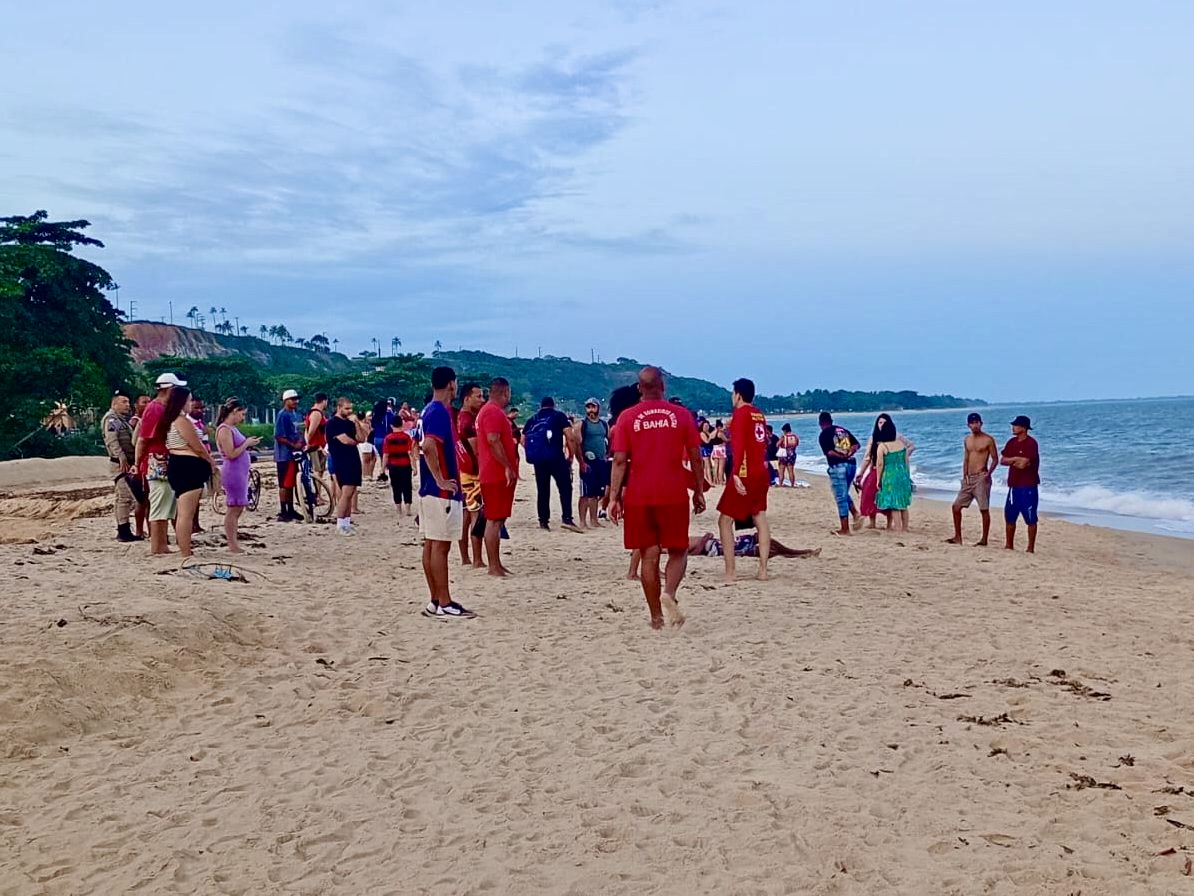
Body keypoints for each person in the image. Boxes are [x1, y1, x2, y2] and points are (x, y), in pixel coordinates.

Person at [608, 366, 705, 630]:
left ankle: (656, 618)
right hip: (672, 492)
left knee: (648, 555)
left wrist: (614, 497)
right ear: (662, 386)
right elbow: (696, 455)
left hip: (639, 495)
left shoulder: (627, 418)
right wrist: (698, 488)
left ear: (639, 388)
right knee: (678, 549)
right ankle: (669, 593)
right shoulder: (681, 415)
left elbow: (619, 461)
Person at [417, 367, 474, 618]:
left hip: (429, 490)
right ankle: (445, 602)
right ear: (451, 384)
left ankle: (435, 599)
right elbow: (429, 446)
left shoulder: (428, 410)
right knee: (440, 546)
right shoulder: (439, 411)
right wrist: (441, 479)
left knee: (432, 545)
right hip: (440, 493)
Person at [716, 378, 771, 583]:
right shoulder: (759, 414)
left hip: (745, 471)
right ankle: (763, 570)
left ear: (738, 394)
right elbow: (757, 442)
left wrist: (737, 474)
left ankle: (730, 572)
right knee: (760, 517)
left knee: (725, 520)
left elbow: (739, 448)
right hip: (761, 471)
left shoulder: (740, 414)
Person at [161, 386, 215, 559]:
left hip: (178, 464)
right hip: (188, 465)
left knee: (183, 512)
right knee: (186, 514)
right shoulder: (181, 421)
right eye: (189, 400)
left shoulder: (169, 420)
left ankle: (185, 548)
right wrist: (211, 462)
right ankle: (185, 550)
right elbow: (197, 446)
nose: (191, 404)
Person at [136, 372, 185, 555]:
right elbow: (143, 440)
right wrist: (138, 463)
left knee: (166, 505)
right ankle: (158, 546)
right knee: (159, 505)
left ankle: (162, 544)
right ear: (169, 389)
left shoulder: (162, 408)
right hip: (158, 460)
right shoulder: (155, 408)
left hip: (164, 460)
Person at [476, 377, 519, 577]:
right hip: (495, 474)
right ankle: (493, 566)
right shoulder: (492, 412)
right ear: (505, 392)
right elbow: (493, 440)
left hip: (494, 472)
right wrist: (507, 467)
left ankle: (497, 563)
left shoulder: (489, 411)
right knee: (493, 519)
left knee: (498, 518)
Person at [524, 397, 581, 532]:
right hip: (556, 458)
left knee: (543, 490)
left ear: (541, 405)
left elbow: (523, 439)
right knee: (565, 487)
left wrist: (535, 453)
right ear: (553, 405)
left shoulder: (533, 419)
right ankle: (567, 518)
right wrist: (571, 455)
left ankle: (543, 521)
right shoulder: (558, 416)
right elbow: (570, 437)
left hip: (539, 460)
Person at [215, 398, 260, 553]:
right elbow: (230, 453)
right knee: (234, 508)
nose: (243, 417)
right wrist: (246, 444)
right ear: (235, 411)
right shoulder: (224, 429)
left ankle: (233, 543)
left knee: (238, 507)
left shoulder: (231, 428)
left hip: (239, 472)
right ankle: (232, 545)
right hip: (233, 472)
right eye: (242, 413)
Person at [948, 413, 1000, 546]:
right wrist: (964, 475)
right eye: (972, 423)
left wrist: (988, 474)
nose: (975, 425)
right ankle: (958, 537)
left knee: (983, 508)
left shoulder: (988, 439)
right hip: (968, 478)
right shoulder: (967, 440)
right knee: (956, 507)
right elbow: (966, 458)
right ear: (968, 425)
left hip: (982, 476)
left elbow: (995, 459)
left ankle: (984, 539)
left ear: (981, 423)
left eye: (977, 422)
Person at [101, 390, 140, 542]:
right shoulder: (111, 420)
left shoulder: (122, 420)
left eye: (128, 402)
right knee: (123, 497)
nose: (127, 405)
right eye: (123, 402)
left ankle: (125, 530)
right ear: (114, 403)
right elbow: (112, 440)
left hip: (127, 462)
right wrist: (121, 457)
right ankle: (123, 531)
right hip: (119, 464)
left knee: (127, 497)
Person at [454, 382, 485, 564]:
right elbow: (477, 451)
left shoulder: (460, 417)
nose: (482, 400)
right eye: (478, 396)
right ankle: (477, 559)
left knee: (466, 516)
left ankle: (466, 558)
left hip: (462, 470)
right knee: (476, 514)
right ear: (467, 398)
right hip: (472, 473)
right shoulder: (468, 421)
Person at [1001, 415, 1041, 553]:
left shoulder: (1031, 443)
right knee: (1009, 515)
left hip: (1028, 485)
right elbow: (1003, 460)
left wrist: (1016, 461)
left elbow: (1024, 464)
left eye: (1016, 425)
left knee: (1030, 517)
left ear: (1023, 428)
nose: (1013, 427)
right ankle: (1009, 545)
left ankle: (1030, 548)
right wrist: (1016, 459)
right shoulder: (1011, 442)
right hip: (1013, 485)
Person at [818, 411, 861, 535]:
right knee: (843, 492)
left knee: (840, 497)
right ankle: (856, 514)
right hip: (852, 465)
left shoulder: (823, 434)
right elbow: (856, 445)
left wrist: (841, 457)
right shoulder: (842, 430)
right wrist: (849, 454)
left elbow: (829, 452)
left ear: (820, 424)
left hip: (838, 466)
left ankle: (845, 528)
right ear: (831, 421)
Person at [326, 398, 362, 535]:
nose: (350, 411)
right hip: (341, 460)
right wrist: (355, 442)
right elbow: (346, 441)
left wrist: (357, 423)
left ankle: (346, 523)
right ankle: (340, 523)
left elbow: (361, 438)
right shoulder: (332, 423)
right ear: (339, 407)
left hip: (353, 459)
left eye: (350, 408)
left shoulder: (349, 423)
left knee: (351, 491)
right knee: (345, 493)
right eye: (346, 408)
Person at [873, 415, 913, 532]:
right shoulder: (901, 444)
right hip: (903, 475)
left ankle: (898, 528)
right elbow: (906, 462)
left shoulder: (882, 446)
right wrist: (908, 476)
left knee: (894, 505)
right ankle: (905, 528)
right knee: (903, 504)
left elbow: (880, 464)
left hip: (890, 476)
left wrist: (878, 480)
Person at [576, 397, 610, 528]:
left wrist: (607, 455)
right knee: (585, 493)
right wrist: (581, 462)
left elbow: (609, 439)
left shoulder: (603, 424)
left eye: (593, 407)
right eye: (588, 407)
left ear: (598, 408)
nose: (590, 409)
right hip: (588, 463)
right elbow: (577, 444)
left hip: (600, 462)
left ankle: (594, 520)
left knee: (595, 493)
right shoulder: (582, 424)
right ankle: (582, 521)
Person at [273, 389, 305, 522]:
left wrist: (301, 442)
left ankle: (291, 509)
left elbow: (299, 432)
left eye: (297, 399)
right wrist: (293, 445)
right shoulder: (283, 415)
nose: (296, 401)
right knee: (283, 484)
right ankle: (283, 511)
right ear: (286, 401)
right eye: (293, 399)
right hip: (284, 455)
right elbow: (279, 436)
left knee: (291, 483)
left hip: (293, 454)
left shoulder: (296, 415)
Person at [688, 531, 821, 560]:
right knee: (758, 545)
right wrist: (705, 539)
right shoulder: (668, 546)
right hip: (715, 548)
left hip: (718, 543)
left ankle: (798, 553)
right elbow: (693, 553)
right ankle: (799, 553)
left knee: (760, 540)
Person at [382, 417, 416, 520]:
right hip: (405, 465)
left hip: (394, 465)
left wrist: (382, 468)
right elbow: (410, 453)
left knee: (396, 487)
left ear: (391, 425)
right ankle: (408, 509)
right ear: (402, 425)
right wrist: (414, 466)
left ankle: (398, 509)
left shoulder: (388, 438)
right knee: (407, 486)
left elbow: (386, 454)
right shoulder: (407, 437)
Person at [130, 394, 151, 537]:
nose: (148, 405)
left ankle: (143, 531)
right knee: (146, 500)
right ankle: (148, 532)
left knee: (143, 501)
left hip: (142, 463)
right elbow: (135, 442)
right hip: (143, 464)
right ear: (137, 405)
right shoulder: (138, 422)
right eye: (144, 402)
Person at [305, 393, 330, 495]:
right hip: (316, 447)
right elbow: (310, 431)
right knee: (317, 471)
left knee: (320, 471)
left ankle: (318, 494)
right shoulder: (316, 413)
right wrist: (312, 444)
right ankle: (316, 495)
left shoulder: (316, 412)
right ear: (324, 401)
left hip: (319, 446)